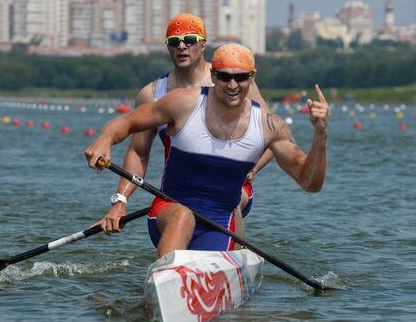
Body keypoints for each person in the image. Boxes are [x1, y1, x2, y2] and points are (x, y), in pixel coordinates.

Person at [85, 43, 329, 257]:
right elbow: (127, 122)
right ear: (213, 75)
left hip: (219, 222)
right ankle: (165, 284)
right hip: (167, 213)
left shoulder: (270, 126)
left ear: (252, 78)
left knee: (221, 230)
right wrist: (105, 138)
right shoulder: (183, 103)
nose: (232, 85)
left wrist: (320, 134)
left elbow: (310, 182)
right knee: (183, 216)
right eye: (224, 77)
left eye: (241, 77)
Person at [99, 13, 272, 240]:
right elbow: (139, 153)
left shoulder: (232, 81)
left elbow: (272, 139)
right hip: (178, 196)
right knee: (180, 217)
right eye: (174, 42)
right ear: (168, 47)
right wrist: (120, 201)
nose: (182, 47)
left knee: (229, 199)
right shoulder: (151, 95)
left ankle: (233, 261)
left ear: (202, 44)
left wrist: (251, 169)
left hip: (233, 189)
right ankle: (172, 269)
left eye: (189, 40)